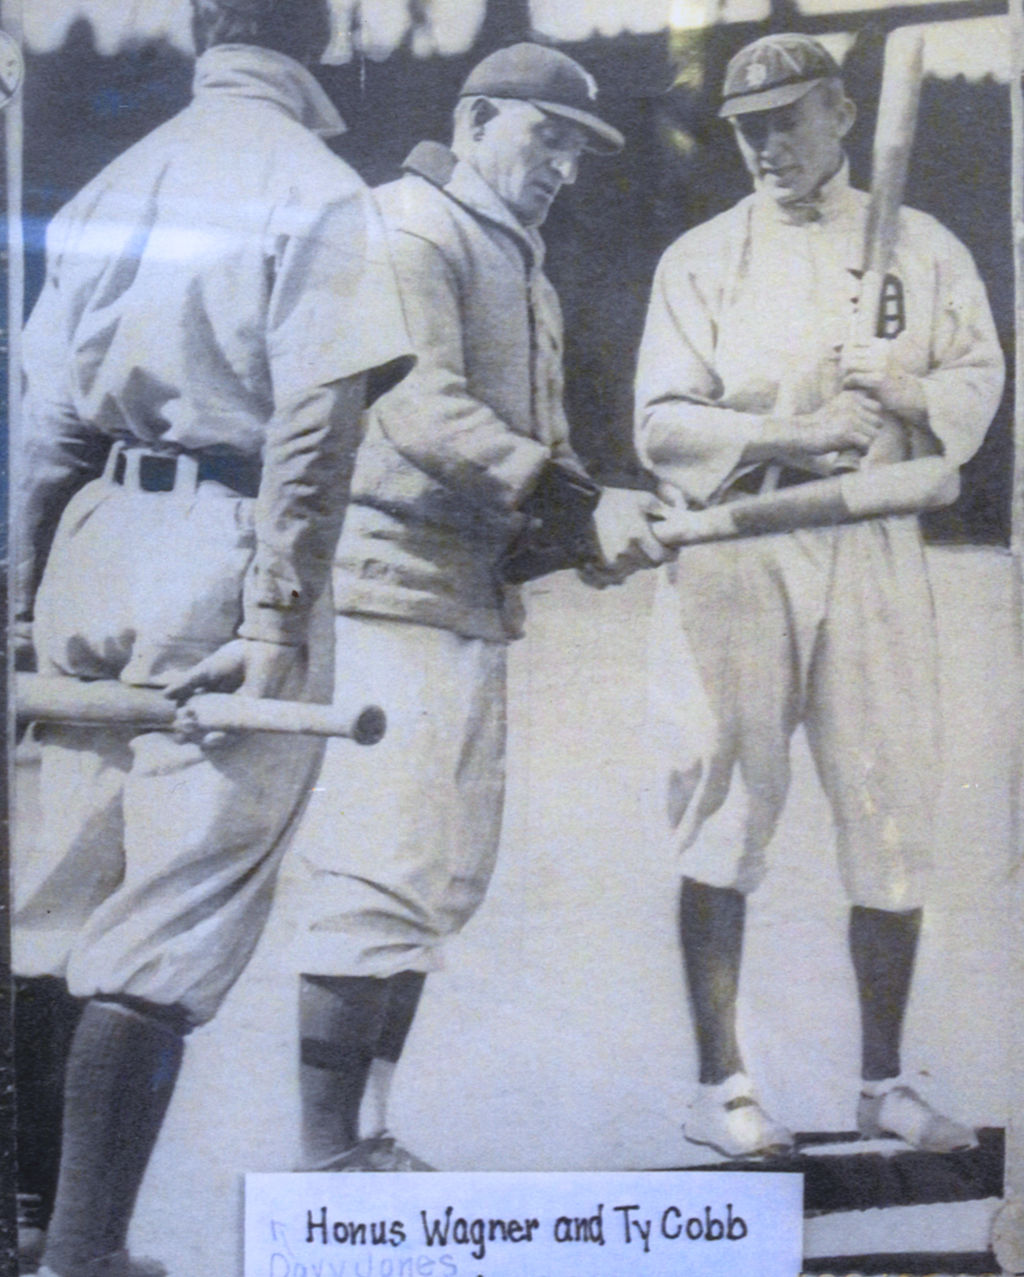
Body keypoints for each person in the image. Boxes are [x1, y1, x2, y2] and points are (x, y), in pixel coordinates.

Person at [11, 0, 411, 1270]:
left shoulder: (118, 179)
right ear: (326, 31)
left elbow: (44, 425)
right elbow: (313, 426)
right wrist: (280, 610)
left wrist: (22, 606)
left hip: (93, 538)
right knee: (167, 926)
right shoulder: (318, 184)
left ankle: (25, 1231)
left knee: (52, 906)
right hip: (225, 550)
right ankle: (81, 1256)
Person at [285, 41, 668, 1173]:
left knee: (437, 880)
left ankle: (368, 1132)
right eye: (545, 135)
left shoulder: (516, 254)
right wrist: (569, 502)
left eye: (579, 148)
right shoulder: (412, 222)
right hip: (387, 599)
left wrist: (574, 533)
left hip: (463, 600)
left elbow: (531, 453)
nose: (563, 164)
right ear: (477, 118)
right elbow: (415, 405)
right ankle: (322, 1153)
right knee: (376, 868)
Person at [635, 33, 1004, 1159]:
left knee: (889, 804)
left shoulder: (925, 248)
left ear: (843, 116)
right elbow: (659, 424)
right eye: (747, 127)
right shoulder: (701, 256)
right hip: (745, 538)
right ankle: (722, 1084)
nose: (765, 145)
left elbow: (980, 382)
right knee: (724, 804)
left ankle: (881, 1081)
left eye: (787, 120)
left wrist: (905, 387)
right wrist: (789, 429)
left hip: (879, 528)